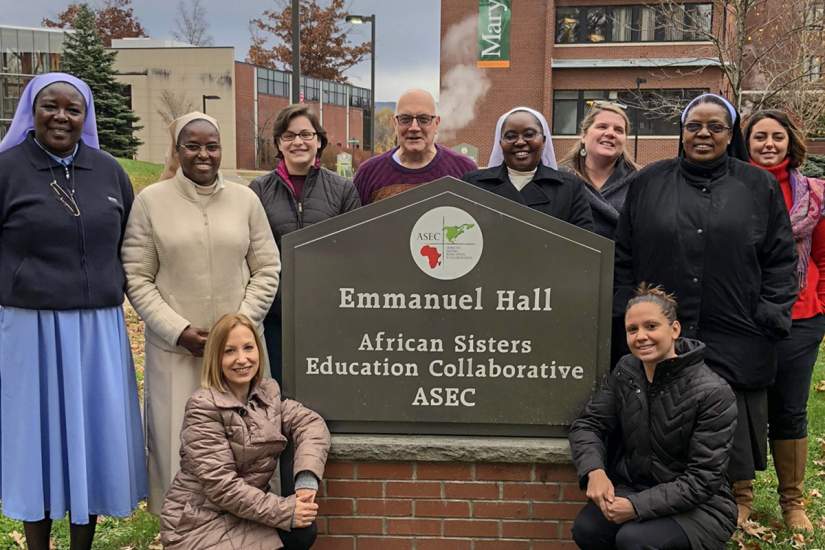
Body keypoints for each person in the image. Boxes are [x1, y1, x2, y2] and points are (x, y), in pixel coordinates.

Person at [613, 93, 797, 527]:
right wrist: (625, 309)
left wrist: (771, 312)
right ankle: (666, 495)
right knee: (667, 413)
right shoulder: (648, 182)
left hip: (736, 324)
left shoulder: (758, 185)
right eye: (694, 125)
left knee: (727, 412)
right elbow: (624, 255)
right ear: (681, 131)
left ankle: (734, 499)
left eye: (716, 127)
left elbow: (780, 258)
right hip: (663, 330)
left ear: (730, 135)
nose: (703, 134)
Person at [0, 73, 146, 549]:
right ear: (31, 110)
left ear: (86, 117)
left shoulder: (108, 172)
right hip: (29, 327)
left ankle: (83, 544)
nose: (61, 116)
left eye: (73, 108)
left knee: (92, 440)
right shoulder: (6, 170)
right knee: (35, 445)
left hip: (96, 329)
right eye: (50, 106)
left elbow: (133, 245)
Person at [122, 111, 281, 514]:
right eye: (192, 146)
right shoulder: (151, 203)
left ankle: (248, 529)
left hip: (240, 354)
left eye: (211, 145)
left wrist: (240, 328)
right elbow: (137, 276)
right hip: (180, 353)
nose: (203, 154)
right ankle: (183, 528)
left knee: (247, 447)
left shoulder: (246, 199)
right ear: (177, 151)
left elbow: (266, 267)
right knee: (180, 449)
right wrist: (177, 330)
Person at [570, 284, 737, 549]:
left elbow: (702, 479)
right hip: (636, 486)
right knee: (588, 529)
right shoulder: (627, 370)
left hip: (702, 506)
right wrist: (594, 471)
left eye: (651, 326)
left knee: (634, 540)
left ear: (675, 329)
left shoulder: (713, 392)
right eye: (632, 330)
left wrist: (636, 507)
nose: (641, 336)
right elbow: (588, 424)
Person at [160, 313, 330, 549]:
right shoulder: (203, 407)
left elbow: (311, 424)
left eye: (248, 348)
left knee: (302, 530)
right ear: (216, 358)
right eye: (230, 351)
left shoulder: (267, 393)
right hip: (201, 522)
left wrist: (306, 480)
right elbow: (222, 486)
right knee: (293, 524)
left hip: (246, 514)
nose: (242, 359)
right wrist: (284, 510)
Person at [744, 109, 825, 531]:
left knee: (790, 410)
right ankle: (739, 497)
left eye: (777, 136)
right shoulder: (733, 188)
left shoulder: (815, 194)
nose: (769, 144)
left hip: (801, 316)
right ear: (747, 142)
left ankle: (792, 502)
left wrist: (819, 303)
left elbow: (823, 258)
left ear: (790, 142)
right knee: (740, 405)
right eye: (759, 137)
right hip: (742, 316)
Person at [249, 104, 360, 383]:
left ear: (319, 141)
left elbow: (354, 253)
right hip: (275, 316)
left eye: (305, 134)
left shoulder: (343, 190)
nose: (297, 142)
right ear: (278, 143)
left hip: (328, 315)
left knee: (326, 390)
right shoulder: (258, 191)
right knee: (278, 391)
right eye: (288, 136)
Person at [462, 106, 594, 230]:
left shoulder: (569, 188)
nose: (520, 142)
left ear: (543, 140)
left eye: (529, 134)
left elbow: (584, 243)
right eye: (510, 136)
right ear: (500, 143)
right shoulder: (474, 184)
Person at [354, 88, 477, 204]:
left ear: (437, 123)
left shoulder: (464, 170)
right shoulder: (368, 174)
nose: (414, 127)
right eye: (405, 119)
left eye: (423, 119)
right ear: (395, 124)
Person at [559, 102, 639, 238]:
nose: (610, 133)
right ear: (584, 135)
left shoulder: (641, 182)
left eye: (619, 130)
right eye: (602, 126)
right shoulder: (559, 178)